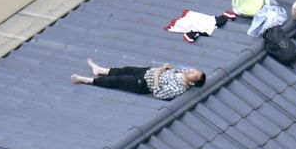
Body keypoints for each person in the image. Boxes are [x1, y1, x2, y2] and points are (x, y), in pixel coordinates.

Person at [71, 59, 205, 100]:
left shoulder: (178, 88)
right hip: (148, 72)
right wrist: (166, 67)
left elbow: (159, 94)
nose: (191, 70)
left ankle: (86, 80)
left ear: (192, 82)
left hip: (145, 84)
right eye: (194, 69)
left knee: (118, 81)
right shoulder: (182, 72)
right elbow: (170, 71)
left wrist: (158, 74)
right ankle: (100, 70)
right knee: (125, 69)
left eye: (194, 74)